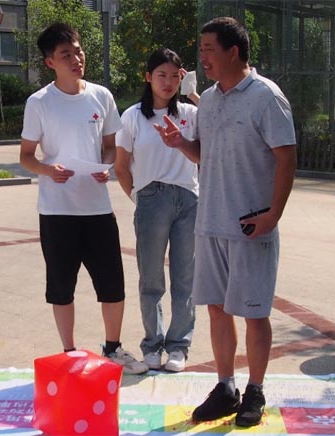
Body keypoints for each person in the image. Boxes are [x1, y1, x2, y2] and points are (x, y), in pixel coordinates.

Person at [154, 17, 297, 427]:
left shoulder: (267, 96)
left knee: (254, 311)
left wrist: (273, 215)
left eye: (209, 49)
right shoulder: (210, 101)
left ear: (233, 52)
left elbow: (287, 158)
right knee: (217, 310)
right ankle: (225, 388)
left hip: (251, 225)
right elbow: (207, 153)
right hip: (210, 222)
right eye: (201, 49)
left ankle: (255, 390)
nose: (202, 57)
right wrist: (181, 144)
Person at [19, 22, 148, 375]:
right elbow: (26, 156)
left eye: (78, 51)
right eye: (66, 55)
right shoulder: (39, 103)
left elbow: (110, 147)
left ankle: (113, 348)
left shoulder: (101, 96)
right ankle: (69, 353)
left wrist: (106, 167)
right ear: (50, 62)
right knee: (61, 286)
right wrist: (48, 170)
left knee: (112, 283)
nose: (76, 59)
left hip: (97, 208)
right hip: (57, 210)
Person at [115, 48, 199, 373]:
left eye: (175, 76)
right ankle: (152, 345)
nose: (168, 82)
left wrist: (193, 93)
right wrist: (140, 198)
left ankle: (178, 346)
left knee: (184, 277)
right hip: (151, 199)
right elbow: (121, 167)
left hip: (188, 200)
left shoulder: (190, 113)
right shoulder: (133, 116)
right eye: (161, 75)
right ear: (148, 77)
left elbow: (209, 145)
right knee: (151, 277)